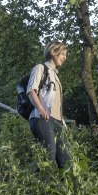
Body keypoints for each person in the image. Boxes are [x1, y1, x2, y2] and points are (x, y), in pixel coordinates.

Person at [27, 41, 70, 169]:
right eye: (62, 53)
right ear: (53, 52)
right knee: (48, 156)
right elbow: (31, 90)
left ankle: (63, 188)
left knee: (66, 158)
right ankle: (40, 186)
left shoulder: (55, 75)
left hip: (57, 120)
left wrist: (63, 122)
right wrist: (41, 109)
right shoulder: (40, 68)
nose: (64, 57)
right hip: (43, 118)